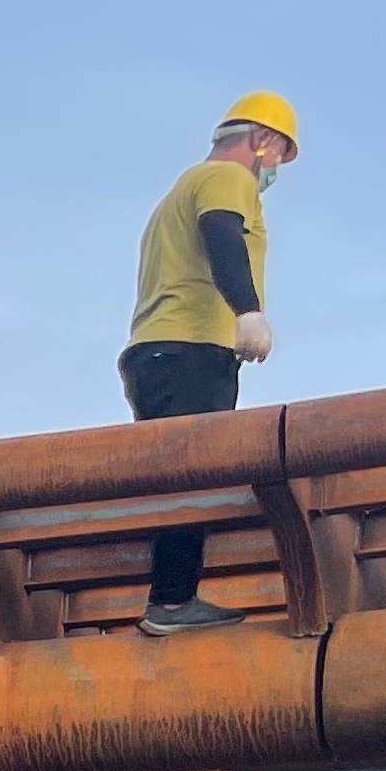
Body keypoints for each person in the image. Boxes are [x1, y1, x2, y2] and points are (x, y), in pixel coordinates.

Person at [123, 92, 298, 633]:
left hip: (157, 353)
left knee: (178, 473)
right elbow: (223, 232)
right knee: (193, 473)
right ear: (262, 141)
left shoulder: (181, 187)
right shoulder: (228, 179)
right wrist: (248, 312)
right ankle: (172, 601)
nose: (274, 170)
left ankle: (172, 596)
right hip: (191, 350)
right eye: (279, 155)